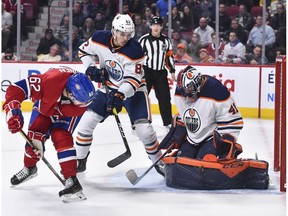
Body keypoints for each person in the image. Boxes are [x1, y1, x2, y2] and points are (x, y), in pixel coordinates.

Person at [75, 14, 165, 176]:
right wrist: (90, 68)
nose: (125, 38)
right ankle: (80, 161)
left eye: (128, 35)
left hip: (133, 92)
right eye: (122, 34)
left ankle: (158, 161)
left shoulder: (135, 49)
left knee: (144, 130)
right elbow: (83, 51)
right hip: (107, 88)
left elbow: (133, 80)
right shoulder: (99, 38)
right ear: (113, 31)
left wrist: (120, 95)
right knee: (86, 123)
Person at [156, 66, 268, 190]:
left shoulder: (217, 91)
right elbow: (183, 115)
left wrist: (225, 143)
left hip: (212, 136)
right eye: (184, 89)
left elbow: (233, 122)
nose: (186, 94)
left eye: (190, 89)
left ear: (198, 84)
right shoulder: (181, 90)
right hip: (192, 138)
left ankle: (233, 154)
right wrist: (179, 133)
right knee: (182, 162)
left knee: (207, 163)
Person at [2, 67, 95, 202]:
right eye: (78, 101)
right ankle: (29, 169)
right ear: (69, 92)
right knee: (33, 140)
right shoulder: (49, 82)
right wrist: (13, 111)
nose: (82, 105)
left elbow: (78, 105)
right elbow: (16, 89)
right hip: (45, 108)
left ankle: (71, 180)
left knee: (61, 136)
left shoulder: (82, 99)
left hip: (65, 113)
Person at [139, 16, 176, 129]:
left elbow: (169, 57)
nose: (156, 27)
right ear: (150, 26)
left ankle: (168, 122)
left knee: (165, 98)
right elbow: (137, 57)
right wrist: (138, 71)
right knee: (142, 97)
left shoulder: (166, 40)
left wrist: (172, 71)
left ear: (161, 27)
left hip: (161, 73)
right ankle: (137, 121)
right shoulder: (143, 40)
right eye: (154, 25)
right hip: (147, 72)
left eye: (158, 25)